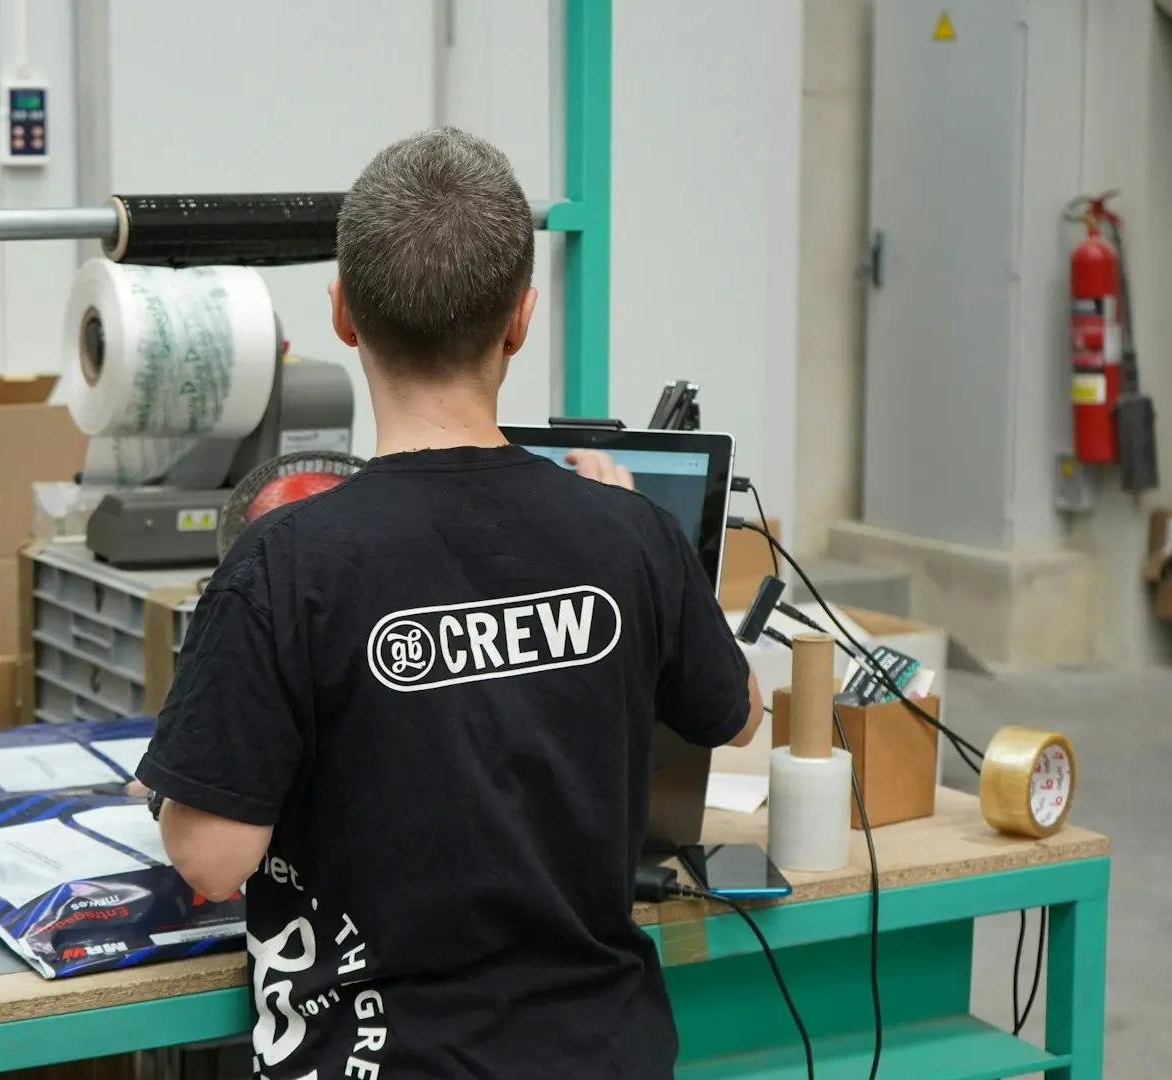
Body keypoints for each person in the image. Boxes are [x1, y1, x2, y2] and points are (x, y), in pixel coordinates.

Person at [134, 129, 761, 1080]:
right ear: (521, 318)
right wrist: (644, 540)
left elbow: (214, 860)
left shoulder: (285, 563)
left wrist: (184, 783)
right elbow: (740, 712)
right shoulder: (632, 536)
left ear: (343, 313)